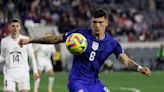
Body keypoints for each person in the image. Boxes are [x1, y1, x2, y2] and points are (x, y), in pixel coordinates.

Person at [18, 10, 151, 92]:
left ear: (106, 23)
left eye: (100, 22)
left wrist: (140, 68)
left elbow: (126, 61)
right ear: (91, 22)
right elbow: (56, 38)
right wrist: (31, 40)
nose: (97, 25)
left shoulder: (112, 43)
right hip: (77, 82)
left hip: (95, 83)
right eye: (94, 22)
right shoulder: (80, 35)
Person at [0, 19, 39, 92]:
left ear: (20, 27)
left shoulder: (26, 39)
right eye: (13, 26)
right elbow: (2, 56)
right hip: (9, 72)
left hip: (23, 72)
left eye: (17, 26)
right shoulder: (4, 41)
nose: (15, 28)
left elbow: (32, 56)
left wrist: (35, 71)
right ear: (9, 27)